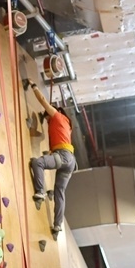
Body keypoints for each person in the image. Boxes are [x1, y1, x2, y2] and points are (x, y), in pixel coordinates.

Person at [28, 84, 77, 236]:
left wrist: (34, 86)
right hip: (70, 161)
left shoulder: (57, 116)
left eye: (47, 118)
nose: (48, 121)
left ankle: (40, 192)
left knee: (38, 163)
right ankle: (57, 225)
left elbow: (43, 100)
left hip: (63, 156)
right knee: (59, 192)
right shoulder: (67, 126)